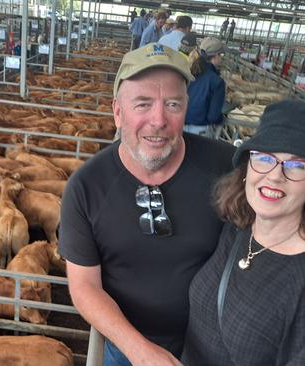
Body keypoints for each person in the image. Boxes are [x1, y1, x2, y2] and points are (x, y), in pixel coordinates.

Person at [59, 43, 235, 366]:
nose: (159, 120)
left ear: (186, 107)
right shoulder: (86, 187)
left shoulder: (227, 168)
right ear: (117, 112)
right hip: (127, 348)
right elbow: (84, 286)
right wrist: (139, 350)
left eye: (173, 104)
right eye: (143, 104)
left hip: (215, 345)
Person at [182, 100, 305, 365]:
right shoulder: (238, 228)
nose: (275, 175)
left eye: (297, 166)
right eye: (264, 158)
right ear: (246, 169)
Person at [184, 37, 226, 138]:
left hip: (180, 126)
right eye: (221, 55)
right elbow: (213, 116)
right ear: (216, 55)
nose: (221, 58)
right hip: (200, 131)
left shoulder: (188, 71)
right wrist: (221, 118)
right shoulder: (217, 81)